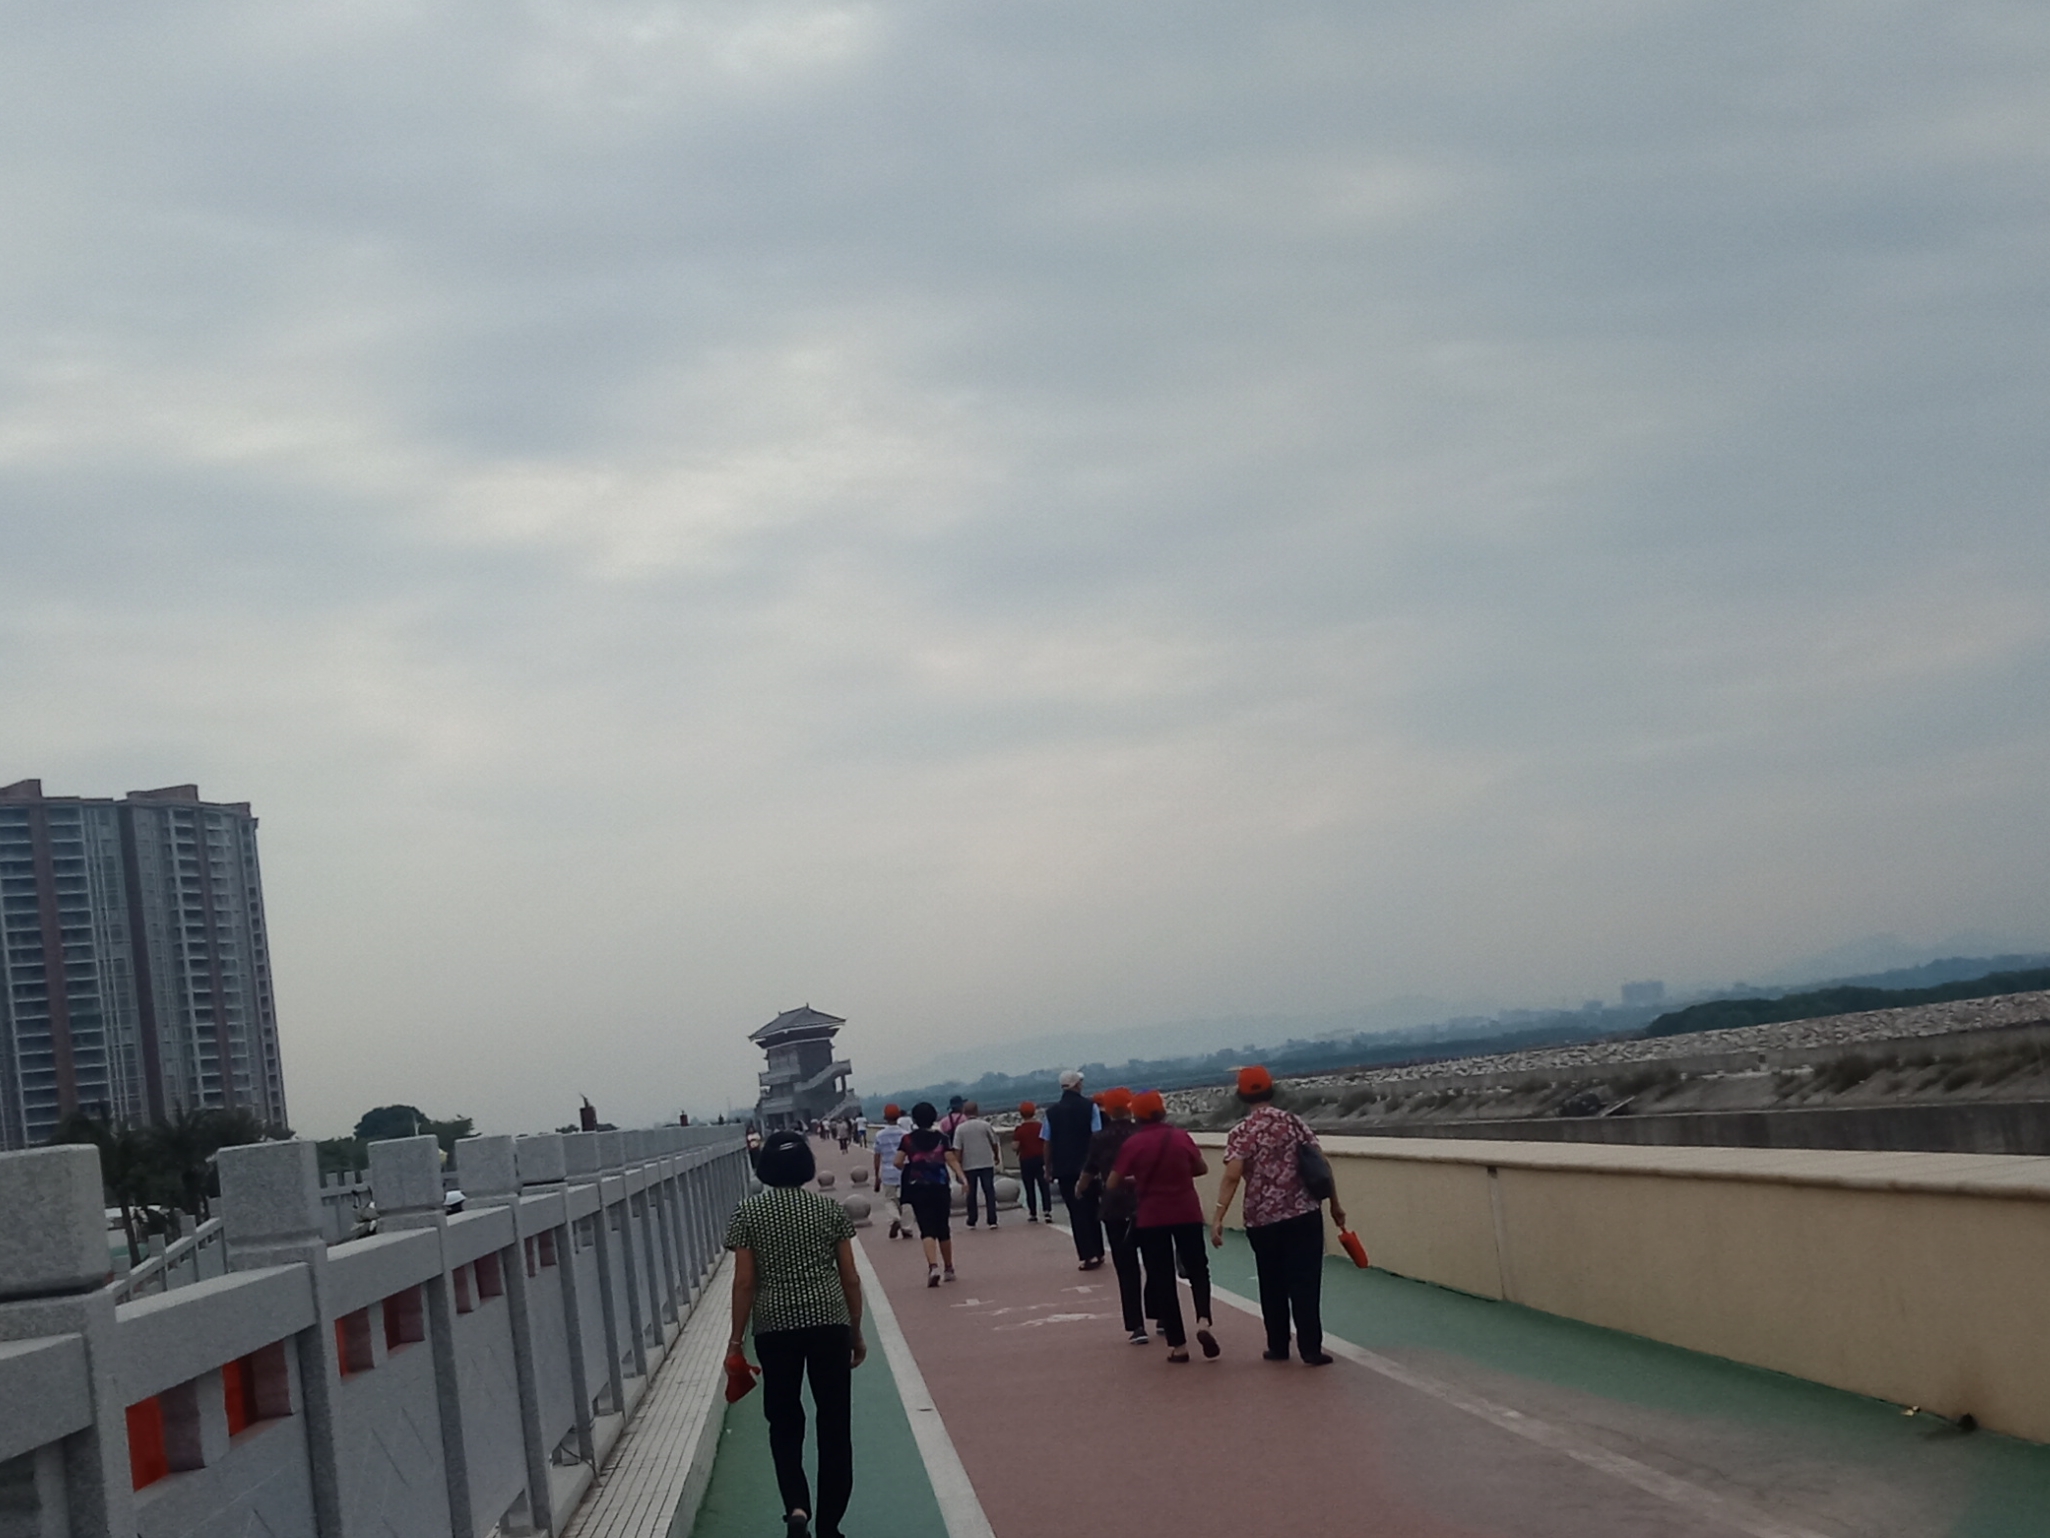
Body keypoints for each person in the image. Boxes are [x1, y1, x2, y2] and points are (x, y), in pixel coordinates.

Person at [725, 1129, 865, 1538]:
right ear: (806, 1166)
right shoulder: (829, 1210)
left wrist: (736, 1341)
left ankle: (797, 1507)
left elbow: (744, 1282)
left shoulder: (748, 1213)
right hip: (829, 1322)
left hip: (775, 1326)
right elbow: (850, 1277)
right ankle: (830, 1525)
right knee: (834, 1423)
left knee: (784, 1420)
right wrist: (855, 1331)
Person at [1210, 1065, 1344, 1365]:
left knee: (1271, 1282)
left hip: (1262, 1219)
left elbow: (1232, 1176)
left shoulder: (1241, 1132)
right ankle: (1310, 1348)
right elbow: (1321, 1163)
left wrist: (1218, 1217)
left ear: (1241, 1095)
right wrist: (1335, 1205)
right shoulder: (1293, 1122)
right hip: (1303, 1212)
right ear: (1272, 1089)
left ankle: (1278, 1346)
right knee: (1305, 1281)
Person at [1111, 1090, 1217, 1364]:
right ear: (1162, 1111)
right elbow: (1201, 1168)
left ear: (1136, 1116)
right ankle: (1203, 1320)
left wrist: (1137, 1181)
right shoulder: (1180, 1137)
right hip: (1187, 1211)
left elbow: (1113, 1182)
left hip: (1152, 1216)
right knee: (1198, 1269)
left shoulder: (1134, 1144)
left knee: (1162, 1277)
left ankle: (1178, 1345)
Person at [1080, 1087, 1147, 1341]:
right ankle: (1162, 1314)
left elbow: (1090, 1168)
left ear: (1106, 1110)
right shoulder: (1141, 1133)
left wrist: (1080, 1188)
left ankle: (1136, 1325)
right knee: (1155, 1261)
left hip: (1114, 1205)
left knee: (1125, 1266)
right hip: (1145, 1203)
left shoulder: (1100, 1138)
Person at [895, 1101, 963, 1285]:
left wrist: (911, 1167)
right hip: (940, 1186)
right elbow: (951, 1159)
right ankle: (949, 1268)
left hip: (918, 1187)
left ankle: (933, 1267)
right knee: (943, 1227)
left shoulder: (907, 1140)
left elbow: (897, 1162)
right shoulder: (942, 1138)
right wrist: (962, 1178)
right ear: (933, 1117)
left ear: (915, 1119)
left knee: (926, 1228)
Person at [1046, 1069, 1105, 1269]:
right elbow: (1097, 1136)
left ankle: (1087, 1255)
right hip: (1088, 1167)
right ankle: (1099, 1250)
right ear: (1077, 1085)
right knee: (1092, 1208)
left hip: (1064, 1169)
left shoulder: (1051, 1112)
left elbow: (1047, 1142)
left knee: (1076, 1212)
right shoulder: (1090, 1107)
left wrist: (1048, 1168)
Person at [952, 1101, 1002, 1229]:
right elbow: (994, 1142)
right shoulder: (985, 1125)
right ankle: (992, 1220)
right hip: (986, 1163)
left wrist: (958, 1166)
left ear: (964, 1112)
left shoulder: (960, 1128)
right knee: (989, 1191)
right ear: (977, 1111)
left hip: (968, 1165)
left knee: (971, 1193)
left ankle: (972, 1220)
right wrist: (996, 1156)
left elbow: (958, 1149)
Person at [872, 1104, 910, 1239]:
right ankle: (907, 1227)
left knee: (889, 1199)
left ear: (885, 1117)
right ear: (898, 1116)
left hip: (888, 1172)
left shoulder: (879, 1135)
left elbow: (877, 1156)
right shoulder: (905, 1134)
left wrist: (877, 1175)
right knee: (906, 1201)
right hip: (904, 1170)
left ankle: (894, 1218)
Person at [1012, 1101, 1051, 1221]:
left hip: (1026, 1160)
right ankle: (1047, 1211)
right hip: (1041, 1159)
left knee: (1029, 1187)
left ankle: (1033, 1213)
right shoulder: (1040, 1126)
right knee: (1044, 1186)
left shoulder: (1019, 1130)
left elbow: (1015, 1146)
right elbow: (1047, 1142)